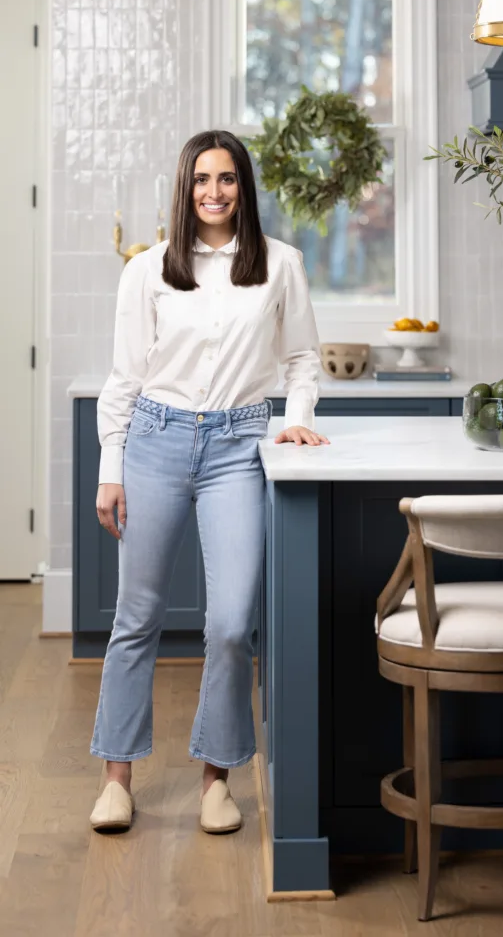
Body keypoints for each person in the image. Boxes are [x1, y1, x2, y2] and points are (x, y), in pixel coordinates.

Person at [89, 130, 330, 834]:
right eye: (202, 179)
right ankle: (116, 777)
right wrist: (111, 468)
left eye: (227, 179)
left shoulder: (280, 265)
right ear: (184, 186)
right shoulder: (147, 271)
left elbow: (302, 357)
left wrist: (296, 419)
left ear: (244, 188)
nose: (214, 192)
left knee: (229, 626)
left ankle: (216, 778)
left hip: (238, 447)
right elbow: (126, 377)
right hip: (154, 443)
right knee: (136, 618)